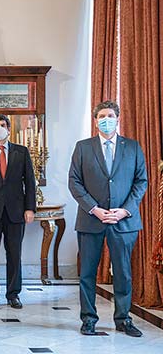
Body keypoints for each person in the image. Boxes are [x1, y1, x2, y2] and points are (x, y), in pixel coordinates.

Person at [68, 100, 147, 337]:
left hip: (123, 221)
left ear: (118, 118)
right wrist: (94, 208)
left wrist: (125, 210)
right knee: (88, 273)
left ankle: (123, 319)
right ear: (95, 121)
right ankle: (89, 319)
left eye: (110, 115)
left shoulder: (133, 147)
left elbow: (140, 181)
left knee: (123, 272)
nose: (106, 119)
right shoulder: (83, 147)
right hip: (91, 220)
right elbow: (75, 182)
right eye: (102, 115)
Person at [0, 114, 36, 309]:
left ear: (9, 129)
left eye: (3, 125)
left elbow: (29, 182)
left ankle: (13, 294)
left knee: (14, 253)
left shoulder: (21, 152)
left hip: (16, 211)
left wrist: (30, 208)